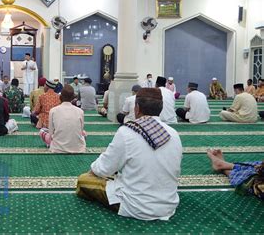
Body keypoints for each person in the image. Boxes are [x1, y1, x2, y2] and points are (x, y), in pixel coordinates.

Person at [76, 88, 183, 221]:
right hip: (168, 205)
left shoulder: (127, 131)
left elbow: (103, 169)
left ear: (137, 108)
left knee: (83, 180)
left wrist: (92, 170)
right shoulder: (173, 134)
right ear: (160, 109)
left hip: (135, 206)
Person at [39, 85, 86, 153]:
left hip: (57, 148)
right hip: (78, 148)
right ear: (72, 98)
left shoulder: (53, 110)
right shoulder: (80, 111)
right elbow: (81, 130)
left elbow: (51, 133)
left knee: (42, 131)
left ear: (60, 97)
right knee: (84, 133)